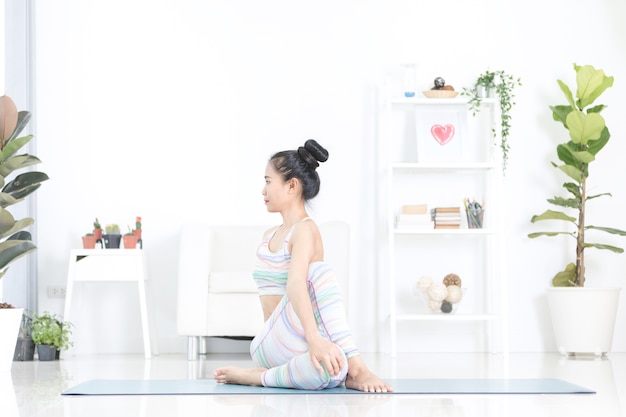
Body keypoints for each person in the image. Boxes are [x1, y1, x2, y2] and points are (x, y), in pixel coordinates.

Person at [213, 139, 392, 393]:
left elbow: (300, 288)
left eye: (267, 181)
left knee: (331, 371)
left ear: (292, 186)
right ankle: (358, 368)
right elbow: (296, 283)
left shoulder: (303, 229)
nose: (263, 191)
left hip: (290, 349)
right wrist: (314, 337)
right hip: (272, 341)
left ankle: (265, 376)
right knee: (318, 272)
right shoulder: (274, 235)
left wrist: (316, 343)